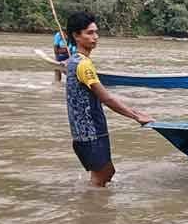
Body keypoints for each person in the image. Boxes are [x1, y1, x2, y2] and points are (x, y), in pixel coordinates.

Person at [64, 11, 153, 187]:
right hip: (90, 133)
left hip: (84, 133)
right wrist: (136, 116)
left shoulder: (74, 61)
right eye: (89, 33)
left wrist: (137, 112)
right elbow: (106, 98)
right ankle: (91, 209)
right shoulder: (83, 65)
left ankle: (92, 204)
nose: (95, 37)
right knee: (102, 175)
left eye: (96, 32)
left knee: (106, 172)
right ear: (76, 35)